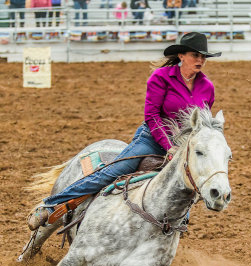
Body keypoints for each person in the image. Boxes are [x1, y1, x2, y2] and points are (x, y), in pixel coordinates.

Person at [28, 32, 222, 231]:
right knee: (114, 171)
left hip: (183, 146)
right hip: (152, 138)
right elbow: (152, 117)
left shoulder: (207, 87)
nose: (200, 60)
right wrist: (169, 147)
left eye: (203, 56)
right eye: (195, 55)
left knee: (192, 183)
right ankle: (50, 205)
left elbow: (201, 124)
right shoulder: (161, 78)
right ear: (181, 56)